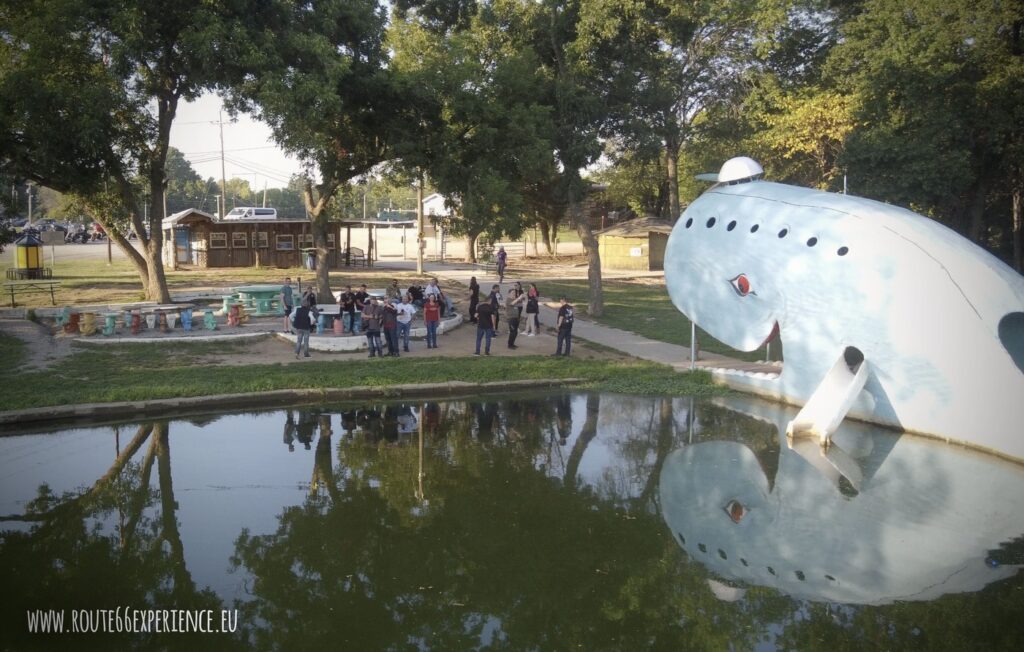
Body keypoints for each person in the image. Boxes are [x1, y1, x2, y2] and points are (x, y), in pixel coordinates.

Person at [292, 295, 319, 359]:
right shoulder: (309, 312)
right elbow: (312, 319)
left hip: (299, 327)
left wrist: (294, 321)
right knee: (306, 342)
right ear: (307, 305)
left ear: (301, 304)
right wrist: (312, 323)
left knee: (299, 341)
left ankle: (297, 353)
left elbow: (290, 316)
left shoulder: (297, 310)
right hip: (306, 327)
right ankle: (306, 354)